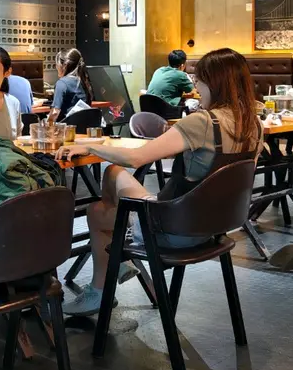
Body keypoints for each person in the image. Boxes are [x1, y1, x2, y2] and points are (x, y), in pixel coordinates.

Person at [55, 48, 264, 317]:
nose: (196, 89)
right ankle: (117, 261)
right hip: (215, 227)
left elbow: (136, 158)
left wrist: (90, 147)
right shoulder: (255, 125)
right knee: (111, 180)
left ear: (215, 83)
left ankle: (101, 286)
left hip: (175, 230)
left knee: (99, 206)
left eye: (199, 81)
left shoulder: (203, 122)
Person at [52, 48, 93, 118]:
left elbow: (55, 112)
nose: (56, 67)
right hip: (84, 123)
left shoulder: (61, 83)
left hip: (66, 124)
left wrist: (47, 123)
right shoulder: (84, 82)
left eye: (56, 64)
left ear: (64, 65)